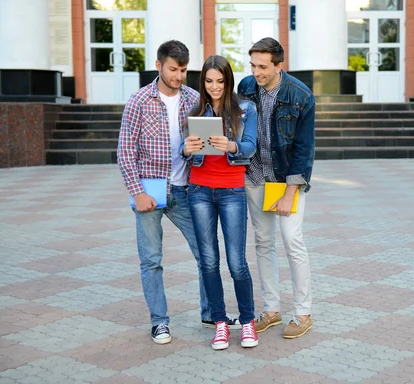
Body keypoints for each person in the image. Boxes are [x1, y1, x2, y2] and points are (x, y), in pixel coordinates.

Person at [117, 40, 238, 345]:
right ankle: (159, 322)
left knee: (205, 254)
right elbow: (125, 151)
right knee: (151, 260)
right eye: (173, 69)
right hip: (150, 187)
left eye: (184, 70)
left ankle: (211, 312)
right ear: (159, 65)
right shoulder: (139, 101)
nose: (179, 76)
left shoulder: (194, 99)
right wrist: (137, 191)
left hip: (185, 189)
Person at [237, 37, 316, 339]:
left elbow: (305, 149)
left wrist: (289, 191)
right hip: (255, 176)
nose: (256, 72)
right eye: (253, 65)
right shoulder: (245, 87)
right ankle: (271, 310)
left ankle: (303, 313)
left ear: (279, 66)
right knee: (262, 242)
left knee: (292, 240)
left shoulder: (300, 95)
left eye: (263, 67)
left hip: (285, 180)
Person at [181, 55, 258, 350]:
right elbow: (185, 150)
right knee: (209, 262)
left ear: (228, 81)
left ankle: (247, 321)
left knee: (237, 262)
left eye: (220, 81)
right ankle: (220, 323)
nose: (214, 87)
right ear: (203, 82)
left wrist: (232, 145)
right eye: (209, 81)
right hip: (199, 190)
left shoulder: (244, 109)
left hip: (231, 191)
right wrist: (186, 149)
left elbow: (250, 146)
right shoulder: (195, 110)